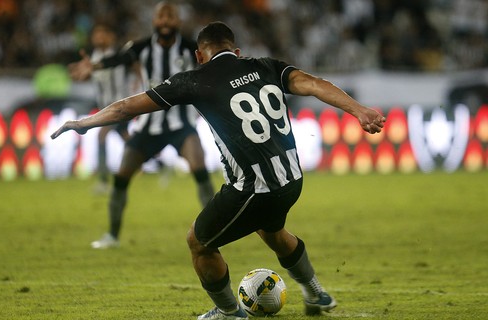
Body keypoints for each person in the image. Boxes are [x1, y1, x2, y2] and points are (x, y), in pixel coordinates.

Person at [52, 21, 385, 319]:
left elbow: (126, 107)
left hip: (254, 187)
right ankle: (316, 294)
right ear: (236, 51)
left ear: (199, 56)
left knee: (198, 242)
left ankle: (229, 312)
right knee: (272, 232)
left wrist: (84, 123)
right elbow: (312, 83)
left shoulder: (194, 80)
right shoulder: (266, 66)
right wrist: (359, 110)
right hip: (292, 180)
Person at [69, 1, 215, 249]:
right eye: (161, 17)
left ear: (178, 21)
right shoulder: (142, 47)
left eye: (170, 16)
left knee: (200, 169)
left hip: (182, 125)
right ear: (154, 21)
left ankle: (215, 231)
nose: (166, 21)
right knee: (122, 176)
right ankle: (112, 235)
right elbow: (118, 58)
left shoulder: (192, 48)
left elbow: (213, 66)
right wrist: (94, 66)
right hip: (149, 125)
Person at [87, 22, 131, 194]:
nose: (98, 38)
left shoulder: (115, 58)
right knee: (130, 142)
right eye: (96, 34)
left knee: (101, 136)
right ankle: (159, 164)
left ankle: (103, 180)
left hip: (118, 106)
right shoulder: (95, 56)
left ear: (110, 37)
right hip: (105, 107)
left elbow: (120, 84)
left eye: (101, 34)